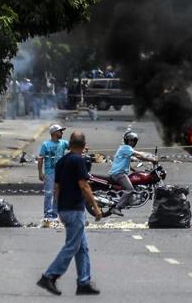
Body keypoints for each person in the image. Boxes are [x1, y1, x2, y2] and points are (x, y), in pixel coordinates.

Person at [37, 132, 102, 296]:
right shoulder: (78, 160)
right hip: (75, 209)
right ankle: (49, 276)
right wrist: (95, 207)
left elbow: (56, 188)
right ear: (83, 144)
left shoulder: (62, 161)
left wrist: (58, 209)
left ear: (70, 143)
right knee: (72, 246)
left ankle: (84, 282)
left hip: (65, 209)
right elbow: (84, 185)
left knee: (83, 247)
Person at [107, 131, 157, 216]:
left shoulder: (126, 149)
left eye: (134, 141)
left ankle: (124, 202)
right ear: (127, 141)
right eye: (131, 141)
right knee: (130, 189)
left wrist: (135, 170)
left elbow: (125, 162)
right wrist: (152, 159)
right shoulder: (125, 148)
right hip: (119, 174)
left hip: (120, 173)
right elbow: (139, 155)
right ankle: (117, 207)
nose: (132, 142)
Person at [37, 125, 69, 220]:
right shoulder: (46, 145)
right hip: (49, 173)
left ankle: (55, 214)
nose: (62, 133)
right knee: (48, 194)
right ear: (54, 133)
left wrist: (83, 148)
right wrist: (40, 173)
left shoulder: (63, 143)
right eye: (60, 131)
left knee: (57, 193)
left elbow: (73, 147)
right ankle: (47, 214)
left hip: (61, 173)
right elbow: (40, 159)